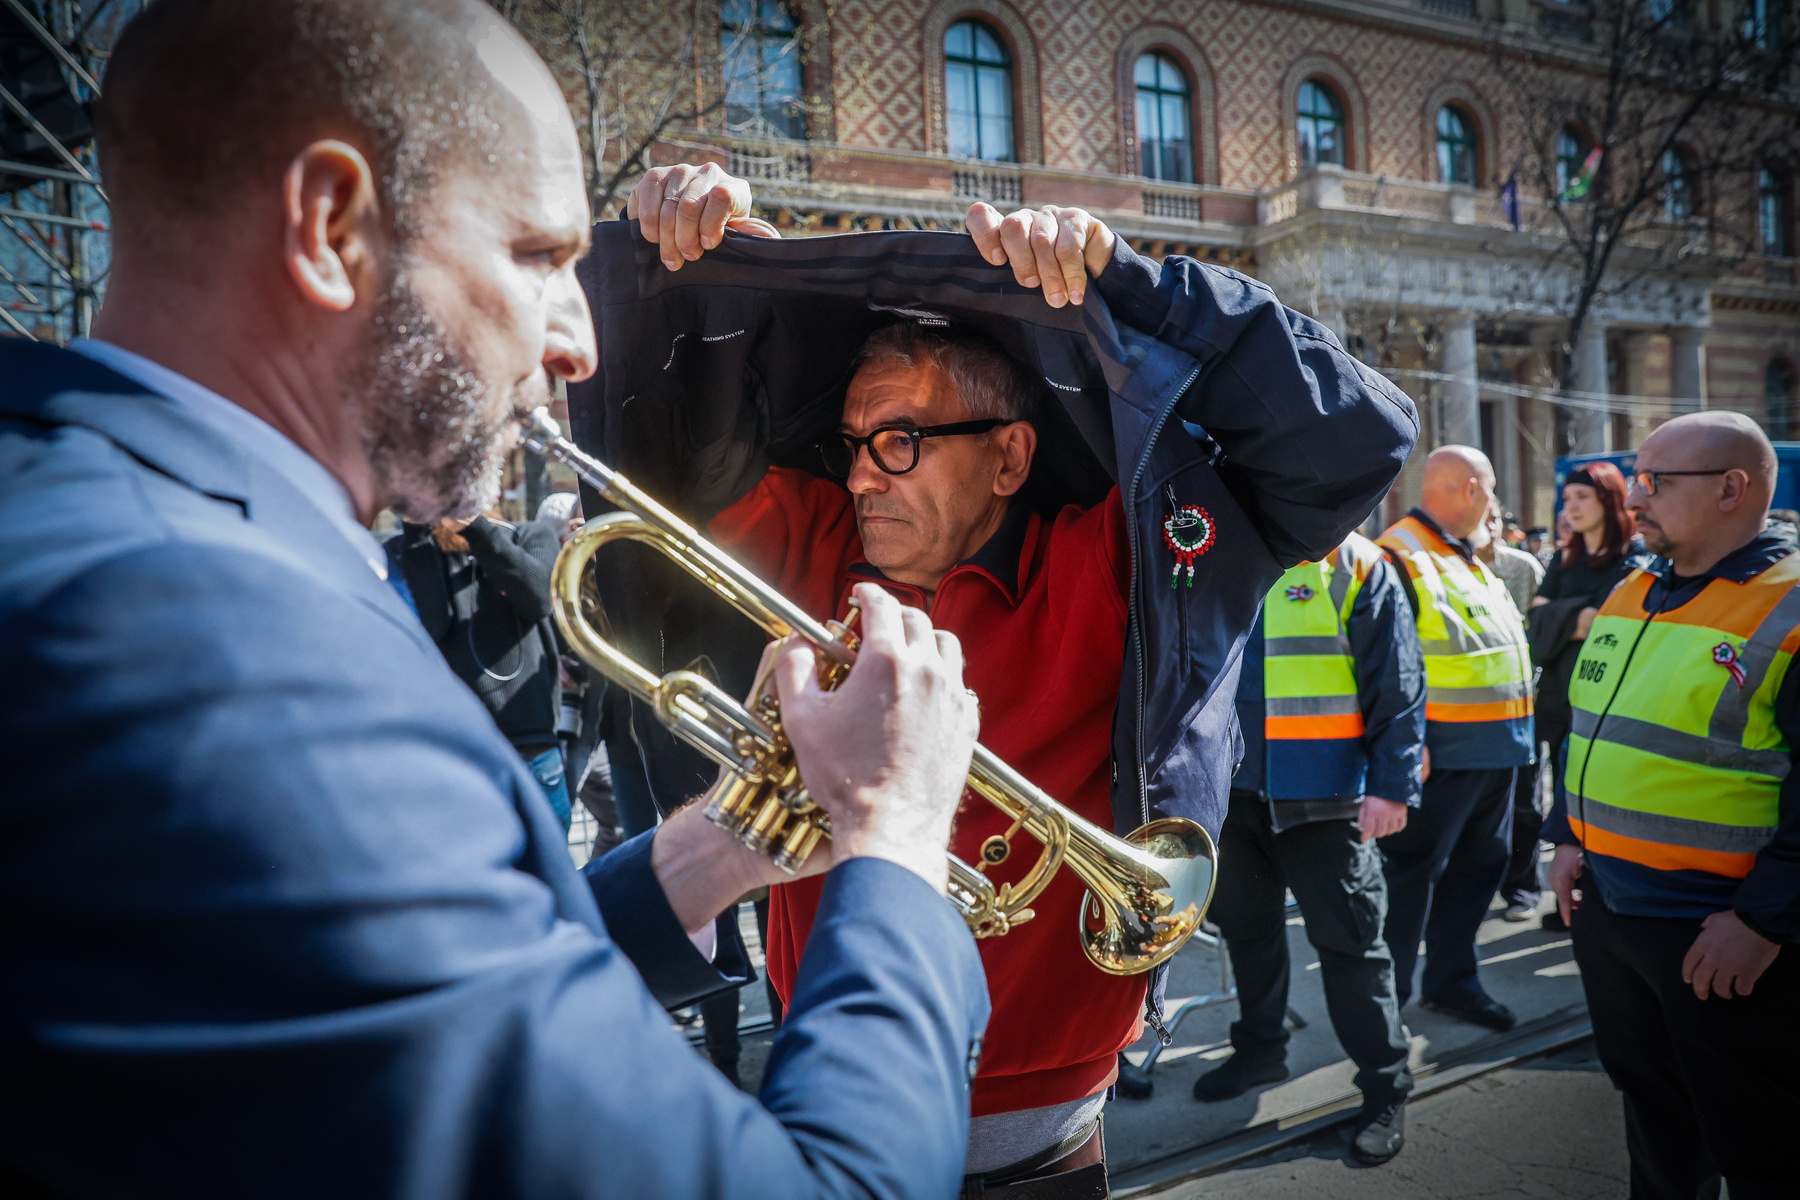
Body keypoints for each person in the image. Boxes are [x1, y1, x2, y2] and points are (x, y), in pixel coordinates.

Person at [0, 3, 998, 1195]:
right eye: (537, 256)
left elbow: (406, 988)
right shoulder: (224, 661)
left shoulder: (87, 508)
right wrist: (894, 837)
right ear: (328, 226)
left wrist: (725, 842)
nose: (575, 340)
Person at [603, 166, 1419, 1194]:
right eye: (854, 443)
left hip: (1054, 1141)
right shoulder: (812, 540)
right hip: (832, 1100)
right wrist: (717, 263)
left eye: (897, 441)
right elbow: (670, 450)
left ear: (1008, 457)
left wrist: (1134, 288)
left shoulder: (1105, 561)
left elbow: (1359, 438)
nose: (859, 474)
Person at [1546, 412, 1799, 1200]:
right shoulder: (1638, 584)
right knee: (1656, 1124)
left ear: (1732, 488)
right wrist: (1565, 835)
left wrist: (1763, 920)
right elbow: (1594, 724)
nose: (1638, 496)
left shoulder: (1788, 605)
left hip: (1718, 933)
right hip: (1613, 913)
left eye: (1658, 481)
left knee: (1763, 1147)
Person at [1195, 531, 1426, 1164]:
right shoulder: (1217, 539)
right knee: (1248, 931)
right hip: (1231, 791)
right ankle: (1260, 1051)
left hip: (1327, 799)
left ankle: (1385, 1085)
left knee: (1353, 944)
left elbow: (1398, 679)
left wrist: (1391, 786)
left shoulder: (1354, 560)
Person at [1378, 446, 1535, 1032]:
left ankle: (1452, 984)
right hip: (1439, 755)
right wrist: (1403, 747)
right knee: (1410, 879)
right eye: (1491, 490)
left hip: (1494, 750)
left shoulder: (1462, 554)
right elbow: (1386, 665)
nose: (1495, 503)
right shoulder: (1402, 553)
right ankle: (1386, 1002)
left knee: (1477, 869)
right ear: (1472, 489)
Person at [1516, 462, 1646, 925]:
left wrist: (1560, 617)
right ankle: (1563, 899)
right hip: (1555, 699)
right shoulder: (1565, 558)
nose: (1569, 508)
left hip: (1605, 704)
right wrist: (1578, 617)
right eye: (1566, 499)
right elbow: (1535, 621)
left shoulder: (1634, 557)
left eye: (1581, 498)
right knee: (1560, 806)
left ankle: (1595, 897)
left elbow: (1608, 623)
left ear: (1609, 499)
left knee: (1599, 803)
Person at [388, 511, 571, 827]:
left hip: (530, 748)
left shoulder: (528, 535)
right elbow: (432, 625)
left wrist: (478, 530)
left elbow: (541, 600)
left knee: (550, 872)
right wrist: (416, 532)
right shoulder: (404, 550)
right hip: (455, 754)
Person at [1475, 500, 1543, 620]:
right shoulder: (1452, 567)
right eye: (1482, 520)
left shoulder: (1524, 565)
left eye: (1494, 519)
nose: (1491, 527)